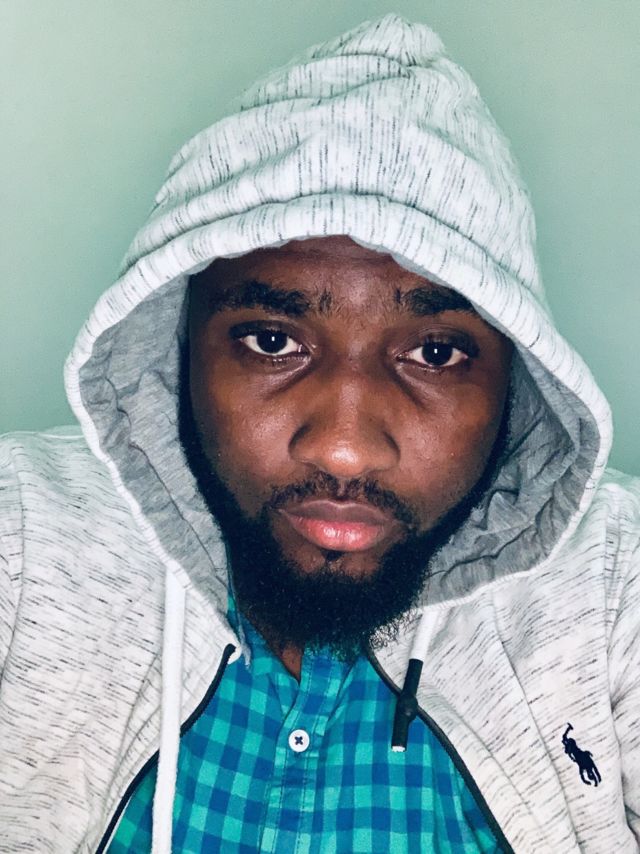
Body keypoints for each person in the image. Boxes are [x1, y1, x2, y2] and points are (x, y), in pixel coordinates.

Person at [1, 12, 638, 853]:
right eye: (273, 342)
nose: (344, 447)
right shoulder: (22, 535)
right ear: (174, 352)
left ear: (518, 387)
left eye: (435, 353)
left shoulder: (615, 585)